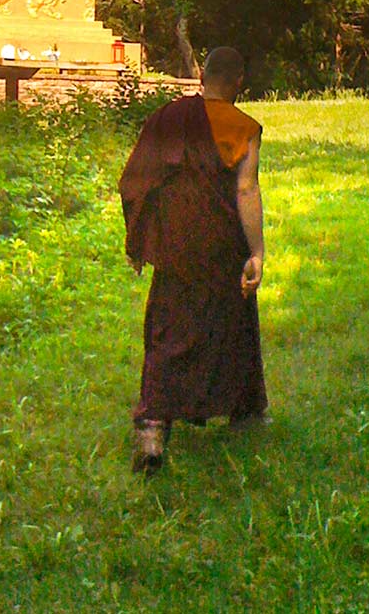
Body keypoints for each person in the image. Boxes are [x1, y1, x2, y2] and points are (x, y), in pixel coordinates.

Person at [119, 46, 267, 472]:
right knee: (230, 323)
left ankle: (152, 422)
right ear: (239, 82)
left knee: (169, 327)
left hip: (177, 244)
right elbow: (246, 191)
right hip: (222, 246)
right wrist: (256, 252)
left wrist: (140, 237)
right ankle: (243, 409)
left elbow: (136, 180)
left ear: (201, 76)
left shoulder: (167, 119)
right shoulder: (243, 127)